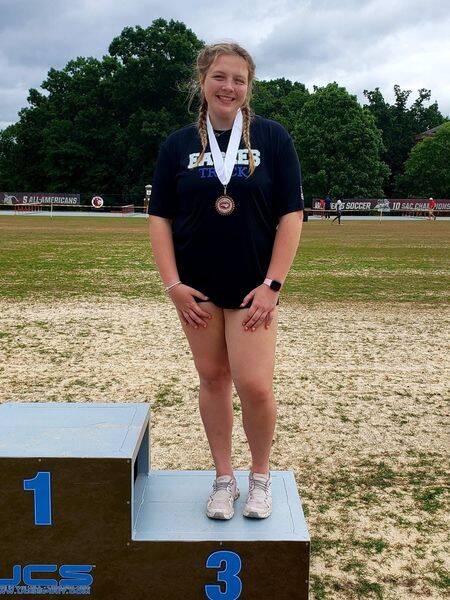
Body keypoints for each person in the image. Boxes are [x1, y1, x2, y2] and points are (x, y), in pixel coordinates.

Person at [148, 42, 304, 520]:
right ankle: (223, 478)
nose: (228, 87)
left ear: (248, 86)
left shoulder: (272, 138)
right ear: (202, 81)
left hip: (253, 288)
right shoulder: (177, 145)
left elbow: (291, 214)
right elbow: (159, 218)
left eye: (239, 79)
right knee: (213, 379)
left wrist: (273, 285)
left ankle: (259, 478)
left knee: (254, 385)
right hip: (197, 290)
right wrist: (173, 286)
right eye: (219, 76)